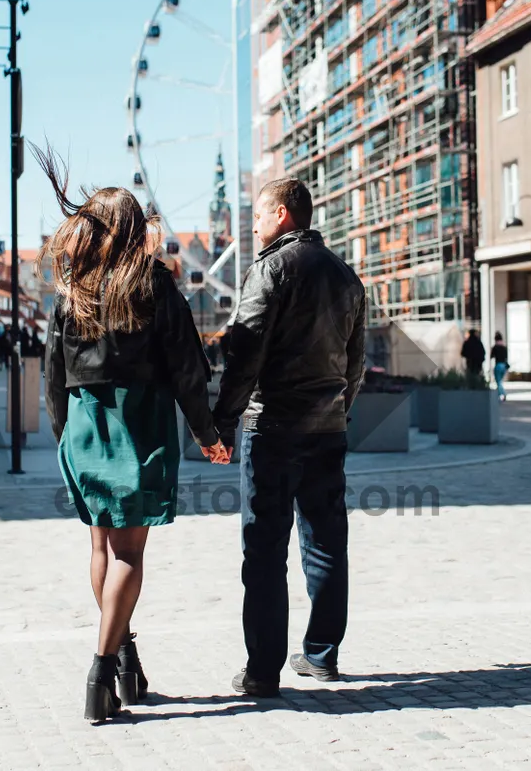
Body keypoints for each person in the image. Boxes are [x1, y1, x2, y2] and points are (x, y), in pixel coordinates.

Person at [37, 146, 229, 722]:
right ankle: (100, 672)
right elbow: (188, 368)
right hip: (135, 424)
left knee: (100, 546)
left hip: (83, 427)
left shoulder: (73, 293)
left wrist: (62, 436)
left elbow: (51, 372)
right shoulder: (152, 285)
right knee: (128, 553)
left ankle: (125, 659)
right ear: (128, 231)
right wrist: (208, 433)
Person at [213, 177, 366, 698]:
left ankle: (262, 670)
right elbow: (356, 361)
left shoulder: (270, 268)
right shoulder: (346, 276)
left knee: (264, 548)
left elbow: (244, 350)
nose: (252, 225)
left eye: (257, 215)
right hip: (327, 428)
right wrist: (339, 410)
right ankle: (322, 655)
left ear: (281, 214)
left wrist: (223, 419)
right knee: (326, 542)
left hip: (273, 426)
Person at [490, 332, 509, 402]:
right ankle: (500, 394)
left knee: (498, 382)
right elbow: (506, 357)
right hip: (503, 365)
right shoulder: (504, 347)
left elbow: (491, 356)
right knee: (500, 381)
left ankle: (502, 394)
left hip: (498, 365)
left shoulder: (495, 347)